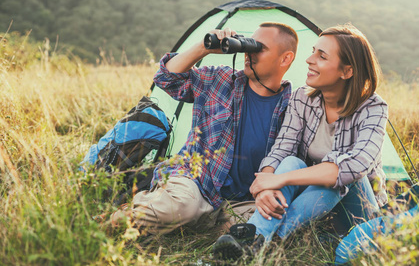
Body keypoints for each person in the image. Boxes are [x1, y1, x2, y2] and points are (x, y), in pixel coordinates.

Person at [212, 23, 389, 260]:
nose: (309, 59)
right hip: (311, 207)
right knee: (292, 161)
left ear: (347, 71)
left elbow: (353, 167)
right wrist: (266, 183)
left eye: (321, 56)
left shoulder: (373, 108)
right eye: (314, 51)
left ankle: (271, 238)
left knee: (338, 179)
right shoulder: (302, 99)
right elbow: (281, 148)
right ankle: (254, 238)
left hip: (357, 213)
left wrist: (279, 179)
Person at [110, 22, 299, 234]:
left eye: (259, 48)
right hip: (196, 182)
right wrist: (204, 47)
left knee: (274, 220)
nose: (248, 53)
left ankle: (187, 220)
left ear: (286, 58)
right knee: (184, 206)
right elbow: (166, 78)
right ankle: (120, 218)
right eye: (248, 46)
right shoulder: (220, 80)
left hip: (240, 201)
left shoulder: (294, 107)